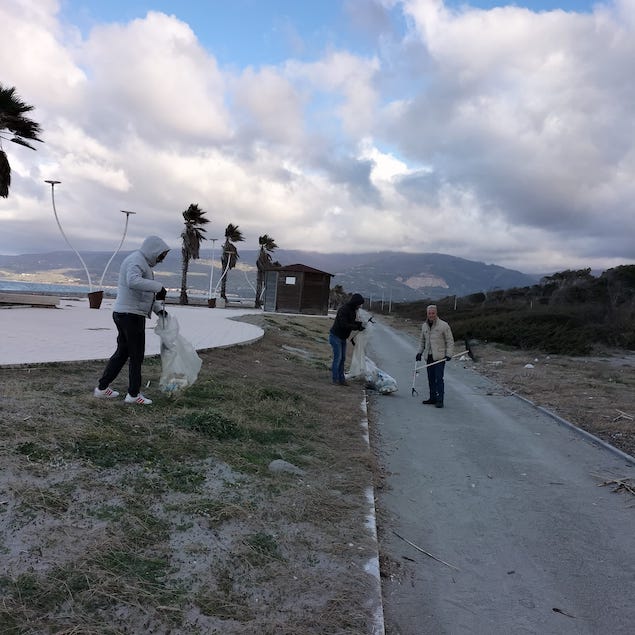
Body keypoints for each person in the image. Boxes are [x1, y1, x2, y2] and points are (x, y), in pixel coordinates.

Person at [93, 235, 170, 405]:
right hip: (131, 316)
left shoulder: (142, 263)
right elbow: (133, 281)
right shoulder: (136, 261)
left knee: (122, 353)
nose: (161, 260)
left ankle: (102, 388)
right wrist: (159, 287)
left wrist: (159, 310)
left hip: (125, 313)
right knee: (136, 356)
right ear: (153, 250)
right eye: (160, 256)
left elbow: (144, 294)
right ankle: (133, 395)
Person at [415, 304, 454, 408]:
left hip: (440, 357)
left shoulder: (444, 325)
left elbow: (450, 341)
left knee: (439, 378)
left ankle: (440, 400)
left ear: (436, 313)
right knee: (431, 378)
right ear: (427, 314)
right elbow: (422, 341)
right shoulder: (424, 326)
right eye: (429, 313)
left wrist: (449, 354)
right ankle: (432, 398)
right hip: (429, 356)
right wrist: (419, 352)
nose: (431, 315)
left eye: (433, 313)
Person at [329, 293, 365, 386]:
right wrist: (356, 327)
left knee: (343, 359)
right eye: (359, 304)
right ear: (355, 302)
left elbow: (351, 322)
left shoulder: (353, 311)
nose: (360, 306)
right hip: (335, 336)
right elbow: (343, 324)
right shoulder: (344, 310)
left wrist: (359, 325)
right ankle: (335, 379)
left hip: (342, 338)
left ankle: (342, 379)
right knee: (338, 358)